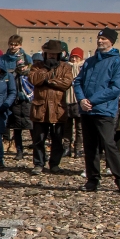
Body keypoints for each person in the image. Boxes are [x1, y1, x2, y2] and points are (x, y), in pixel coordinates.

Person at [73, 28, 120, 193]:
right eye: (99, 38)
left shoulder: (118, 63)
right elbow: (78, 82)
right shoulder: (90, 62)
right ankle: (92, 179)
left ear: (111, 41)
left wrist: (91, 100)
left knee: (108, 144)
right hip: (86, 110)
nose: (100, 41)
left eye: (104, 39)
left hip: (104, 110)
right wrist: (82, 100)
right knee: (90, 146)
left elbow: (115, 89)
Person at [29, 42, 75, 175]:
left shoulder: (65, 67)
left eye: (54, 54)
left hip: (57, 109)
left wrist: (49, 81)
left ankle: (55, 164)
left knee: (57, 139)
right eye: (50, 54)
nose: (52, 56)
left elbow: (66, 83)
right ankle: (39, 163)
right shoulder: (37, 66)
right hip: (40, 108)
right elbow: (34, 80)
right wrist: (45, 71)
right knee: (38, 139)